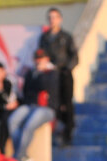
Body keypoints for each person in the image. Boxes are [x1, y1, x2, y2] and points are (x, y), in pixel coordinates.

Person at [8, 49, 59, 161]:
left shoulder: (52, 73)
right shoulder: (30, 73)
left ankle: (16, 158)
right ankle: (21, 155)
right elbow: (27, 92)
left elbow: (45, 86)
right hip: (30, 105)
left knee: (29, 124)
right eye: (36, 59)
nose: (38, 61)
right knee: (12, 120)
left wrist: (41, 72)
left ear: (46, 59)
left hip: (46, 108)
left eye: (40, 59)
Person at [38, 7, 78, 144]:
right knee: (54, 104)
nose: (52, 20)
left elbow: (74, 57)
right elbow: (40, 55)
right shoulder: (44, 38)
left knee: (67, 103)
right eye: (50, 17)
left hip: (64, 75)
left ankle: (69, 131)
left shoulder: (66, 37)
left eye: (55, 17)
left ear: (60, 19)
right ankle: (59, 130)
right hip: (50, 76)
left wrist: (66, 69)